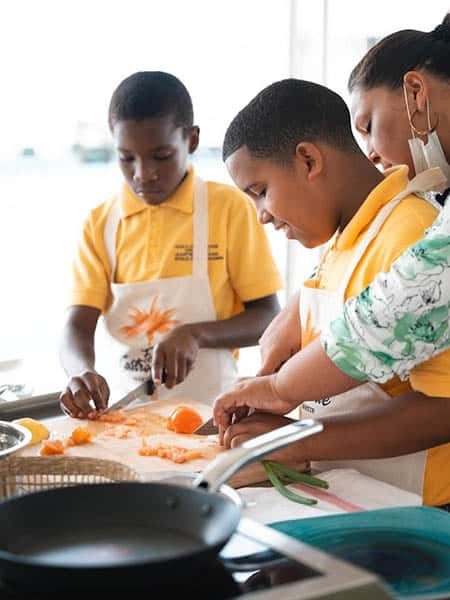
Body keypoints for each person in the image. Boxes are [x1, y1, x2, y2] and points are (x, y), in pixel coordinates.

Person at [214, 78, 450, 507]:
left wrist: (300, 438)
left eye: (260, 192)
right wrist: (276, 395)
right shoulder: (340, 242)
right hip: (353, 494)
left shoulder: (412, 232)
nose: (261, 216)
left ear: (307, 159)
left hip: (421, 510)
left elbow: (443, 408)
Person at [223, 14, 450, 407]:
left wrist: (281, 392)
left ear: (416, 93)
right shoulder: (352, 236)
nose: (371, 153)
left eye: (368, 124)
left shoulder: (415, 223)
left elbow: (404, 303)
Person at [59, 71, 282, 417]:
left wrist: (195, 334)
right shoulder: (101, 224)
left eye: (161, 156)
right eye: (126, 157)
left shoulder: (228, 208)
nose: (143, 173)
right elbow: (77, 326)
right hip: (125, 416)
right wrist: (79, 372)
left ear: (191, 141)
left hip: (213, 414)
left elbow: (268, 317)